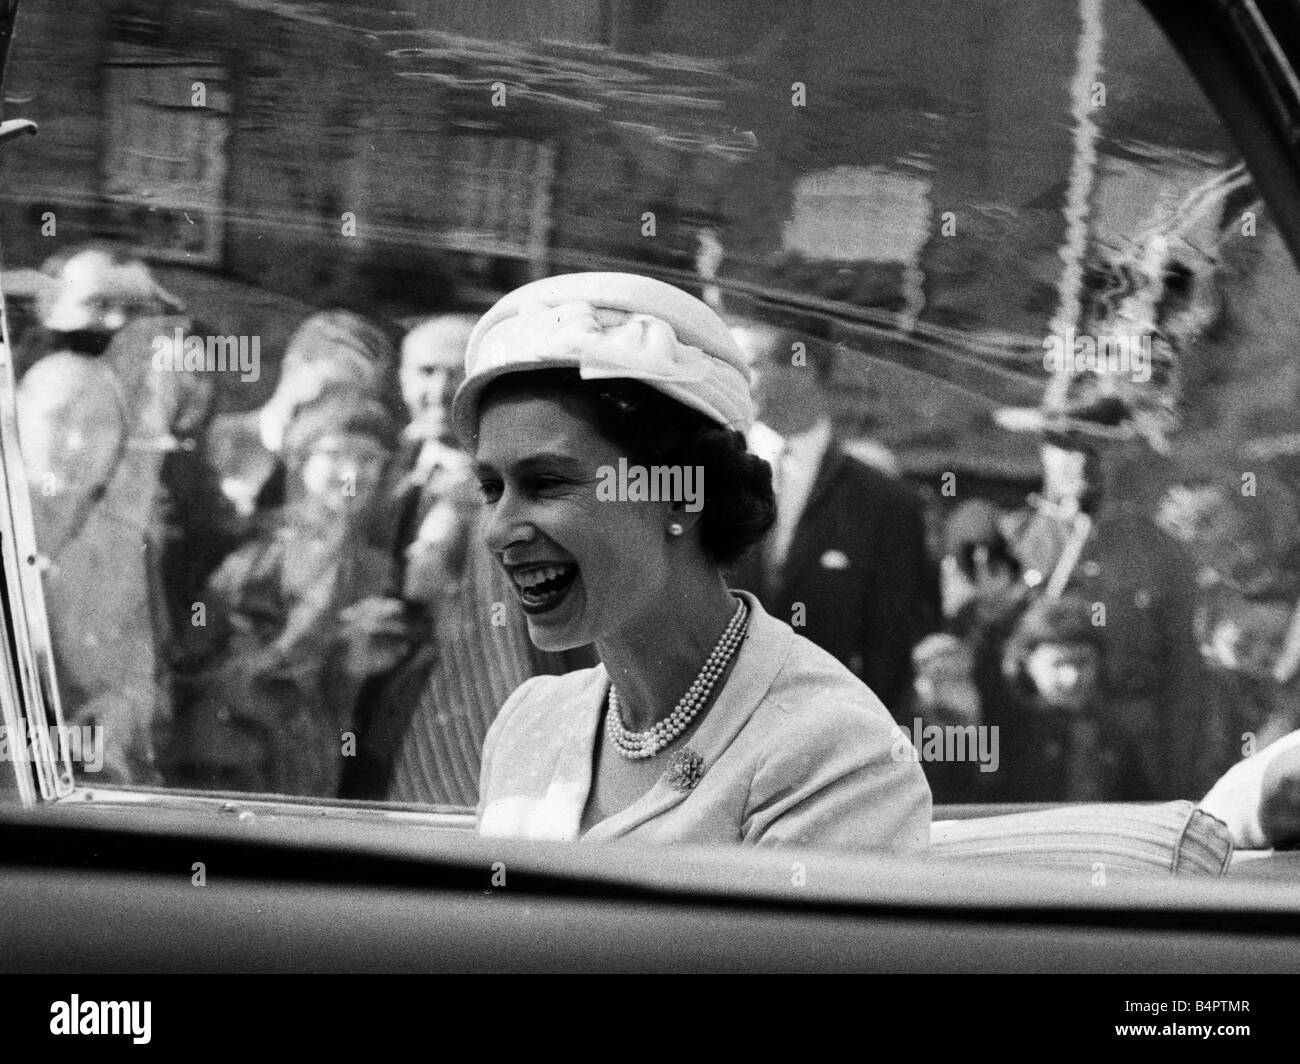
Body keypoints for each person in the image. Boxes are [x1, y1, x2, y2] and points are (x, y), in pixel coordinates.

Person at [459, 272, 931, 852]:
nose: (500, 529)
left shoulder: (836, 753)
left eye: (548, 483)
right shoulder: (529, 724)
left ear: (682, 495)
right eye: (490, 487)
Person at [337, 314, 587, 804]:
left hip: (487, 725)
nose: (438, 389)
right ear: (401, 377)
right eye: (424, 372)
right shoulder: (377, 468)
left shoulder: (537, 487)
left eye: (456, 374)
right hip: (372, 725)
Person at [167, 393, 404, 796]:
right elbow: (199, 638)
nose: (352, 472)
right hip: (242, 741)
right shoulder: (260, 543)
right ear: (301, 459)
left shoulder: (378, 565)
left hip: (321, 748)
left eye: (368, 458)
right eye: (334, 454)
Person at [727, 321, 938, 717]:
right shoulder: (704, 483)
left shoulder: (886, 504)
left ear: (803, 367)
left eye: (749, 364)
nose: (731, 379)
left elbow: (889, 652)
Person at [997, 595, 1152, 802]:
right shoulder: (1007, 733)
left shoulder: (1115, 733)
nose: (1072, 678)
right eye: (1058, 664)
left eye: (1083, 663)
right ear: (1026, 664)